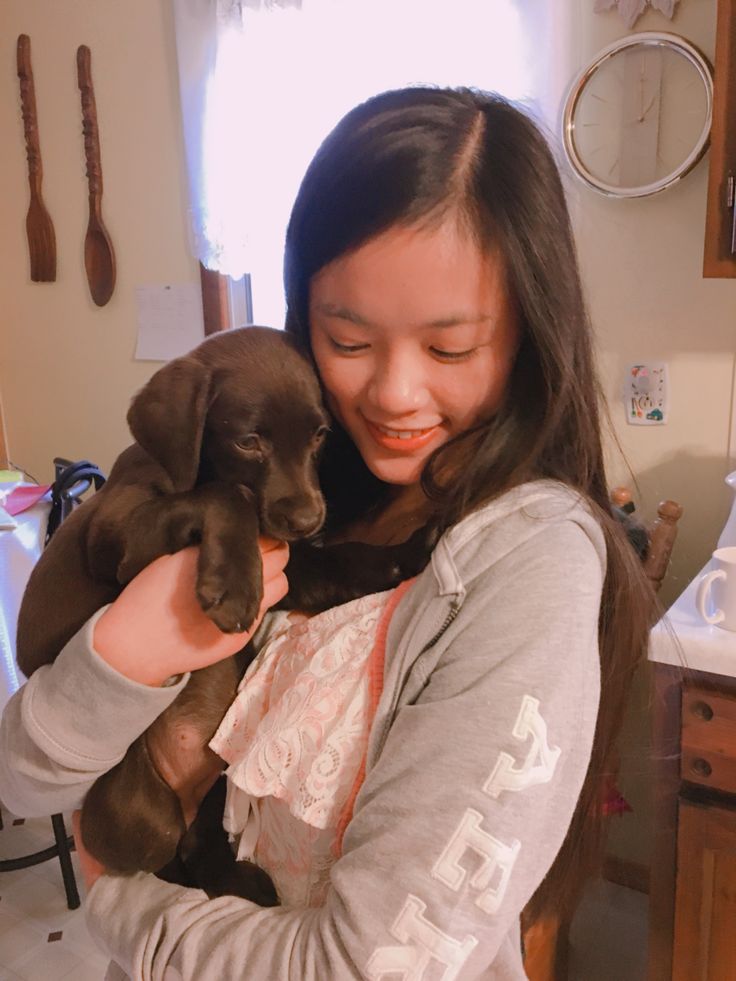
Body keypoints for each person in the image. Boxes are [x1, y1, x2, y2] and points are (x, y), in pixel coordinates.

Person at [0, 87, 653, 979]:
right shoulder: (295, 485)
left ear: (529, 337)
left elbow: (365, 966)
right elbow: (25, 777)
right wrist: (124, 652)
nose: (391, 394)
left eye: (450, 349)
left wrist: (120, 902)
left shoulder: (526, 564)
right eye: (346, 337)